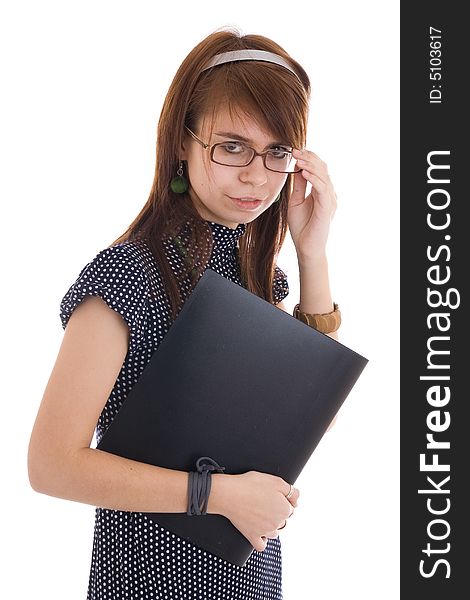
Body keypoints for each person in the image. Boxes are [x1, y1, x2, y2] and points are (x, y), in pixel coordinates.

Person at [28, 27, 339, 600]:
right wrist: (218, 496)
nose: (256, 176)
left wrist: (311, 253)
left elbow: (303, 423)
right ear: (182, 142)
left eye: (277, 152)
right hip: (150, 580)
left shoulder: (260, 279)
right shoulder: (128, 272)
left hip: (249, 579)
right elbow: (50, 464)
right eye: (232, 146)